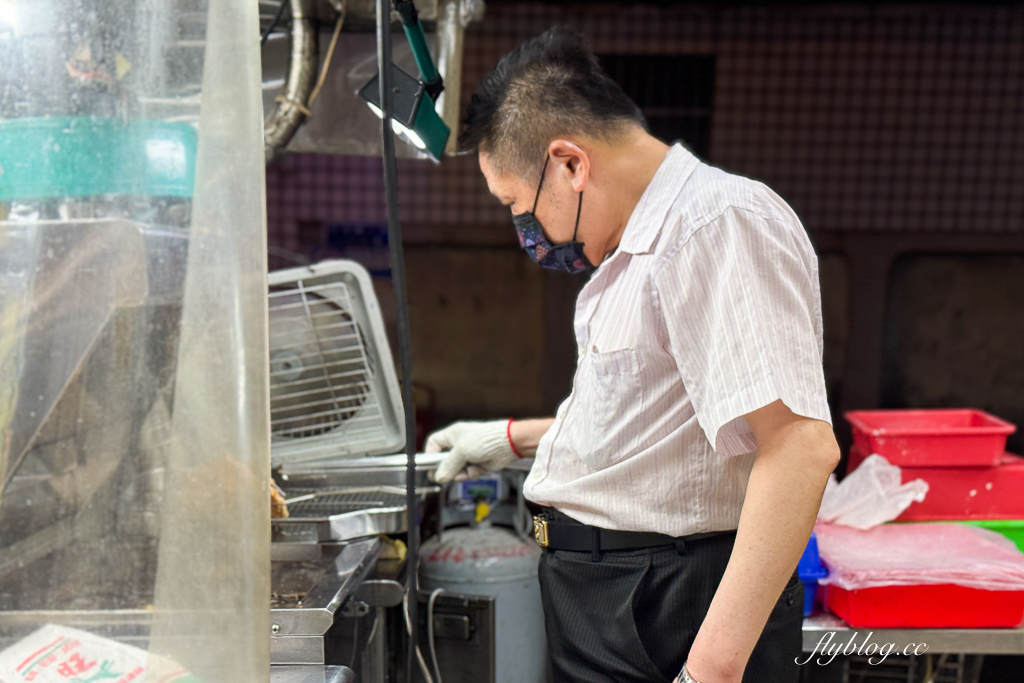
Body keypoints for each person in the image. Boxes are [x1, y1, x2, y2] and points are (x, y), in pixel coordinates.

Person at [426, 27, 840, 683]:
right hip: (612, 601)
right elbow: (662, 426)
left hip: (669, 603)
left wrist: (709, 672)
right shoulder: (635, 253)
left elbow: (798, 447)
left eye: (520, 207)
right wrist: (512, 438)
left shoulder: (715, 224)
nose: (529, 233)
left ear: (570, 164)